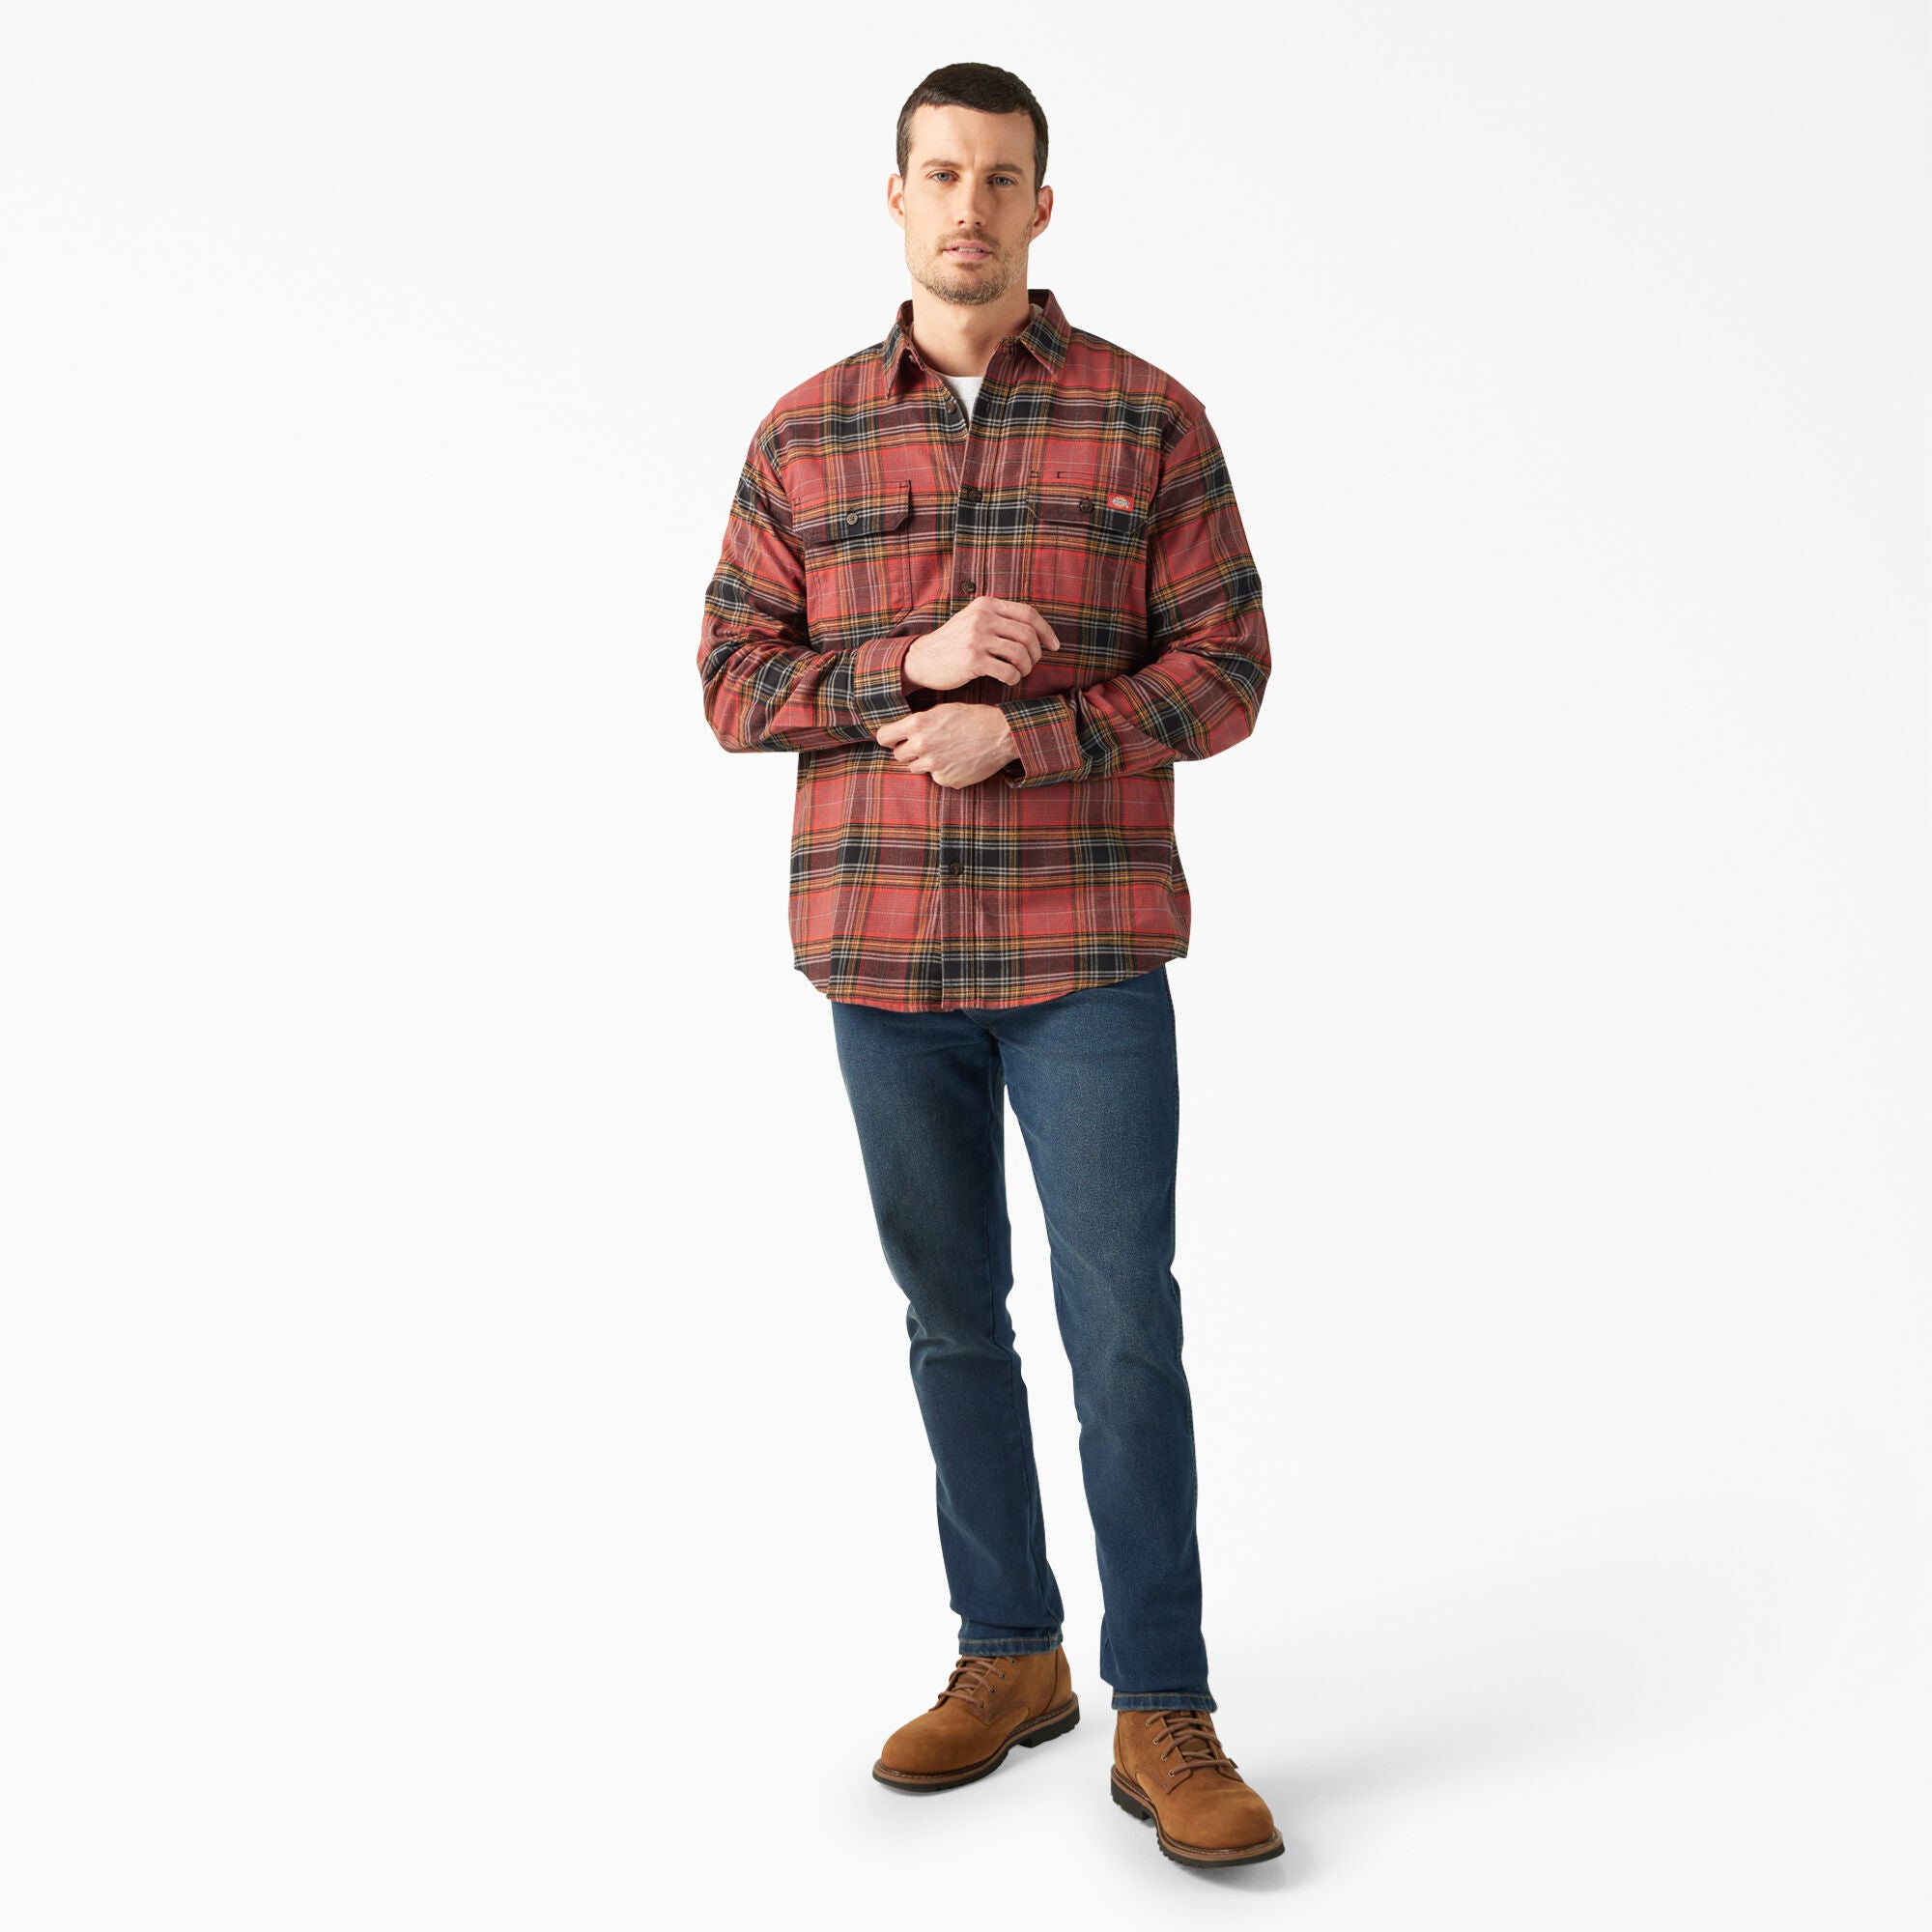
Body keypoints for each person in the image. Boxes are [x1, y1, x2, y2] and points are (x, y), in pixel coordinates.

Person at [697, 61, 1279, 1869]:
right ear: (897, 198)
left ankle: (1162, 1703)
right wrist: (912, 664)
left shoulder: (1147, 420)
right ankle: (1009, 1650)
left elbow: (1228, 671)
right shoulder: (804, 436)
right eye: (941, 174)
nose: (970, 205)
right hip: (879, 959)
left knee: (1124, 1327)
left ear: (1042, 204)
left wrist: (1026, 736)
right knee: (952, 1320)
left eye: (1001, 177)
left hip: (1085, 949)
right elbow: (731, 684)